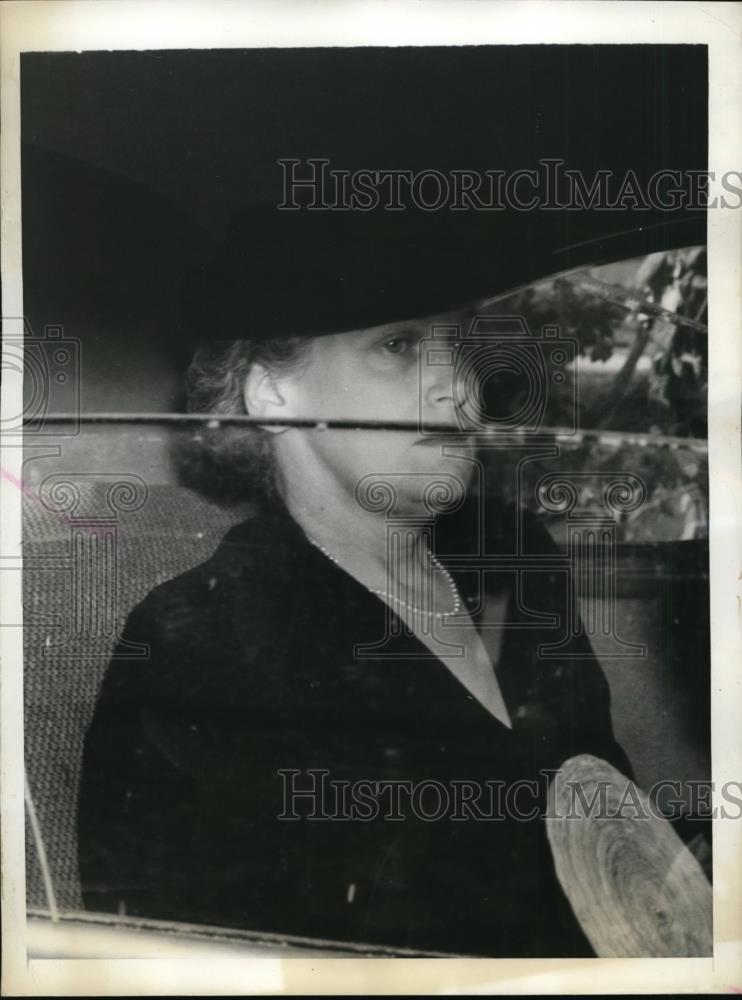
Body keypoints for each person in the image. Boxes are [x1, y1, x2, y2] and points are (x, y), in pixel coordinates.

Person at [78, 208, 632, 957]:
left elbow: (618, 830)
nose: (457, 389)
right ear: (269, 392)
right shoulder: (208, 639)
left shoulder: (514, 557)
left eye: (460, 343)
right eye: (398, 346)